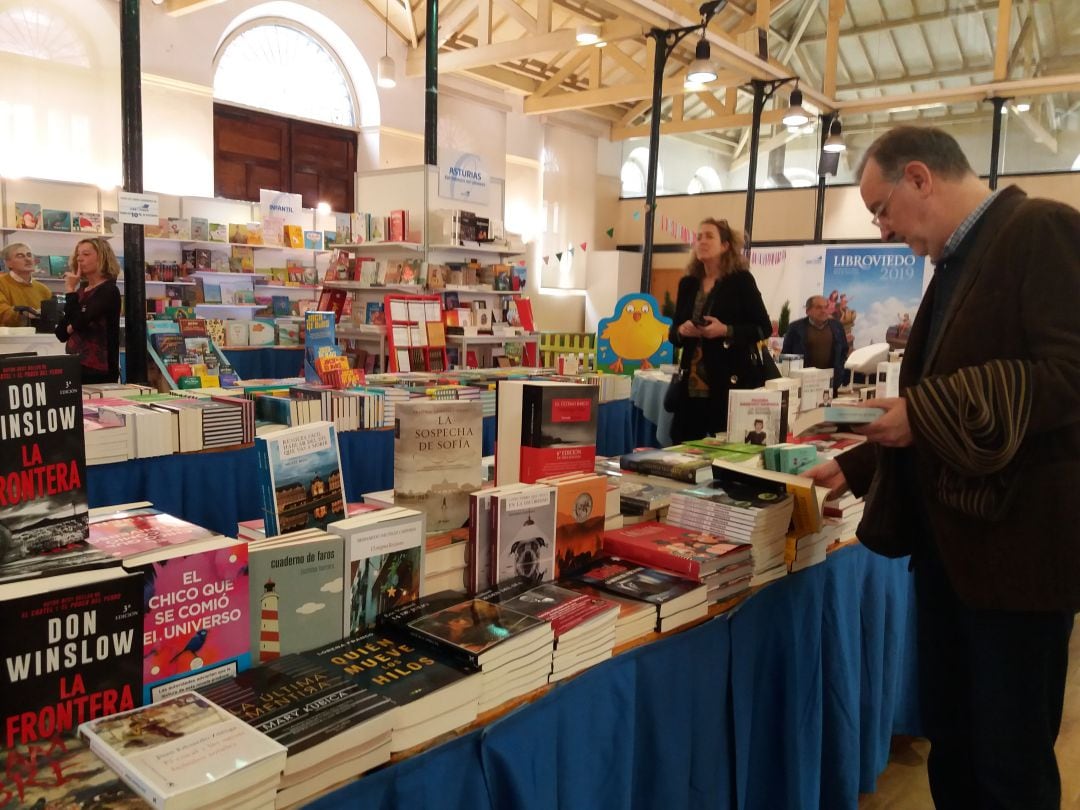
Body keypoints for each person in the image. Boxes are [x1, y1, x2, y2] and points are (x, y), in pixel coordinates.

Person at [804, 126, 1079, 810]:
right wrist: (862, 462)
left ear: (920, 178)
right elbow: (941, 395)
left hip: (1016, 564)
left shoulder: (1042, 229)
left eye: (882, 210)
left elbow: (1069, 374)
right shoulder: (960, 261)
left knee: (1008, 765)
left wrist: (923, 414)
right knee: (955, 748)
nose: (884, 229)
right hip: (953, 560)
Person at [668, 217, 771, 444]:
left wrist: (726, 330)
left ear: (726, 246)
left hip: (727, 385)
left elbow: (763, 328)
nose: (702, 241)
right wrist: (683, 331)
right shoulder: (688, 283)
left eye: (709, 236)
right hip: (690, 389)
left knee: (721, 456)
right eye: (699, 237)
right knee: (682, 451)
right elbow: (672, 334)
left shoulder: (741, 281)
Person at [56, 237, 122, 384]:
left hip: (99, 369)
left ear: (102, 258)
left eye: (86, 254)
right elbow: (60, 333)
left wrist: (69, 291)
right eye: (78, 254)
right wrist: (72, 326)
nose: (79, 259)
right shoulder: (80, 292)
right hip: (74, 364)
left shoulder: (108, 290)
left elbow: (79, 322)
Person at [780, 295, 848, 393]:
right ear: (808, 311)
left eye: (826, 307)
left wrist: (839, 371)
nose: (823, 310)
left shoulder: (837, 327)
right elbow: (786, 354)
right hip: (804, 382)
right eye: (819, 307)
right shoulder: (795, 328)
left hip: (830, 381)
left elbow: (844, 350)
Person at [0, 242, 53, 326]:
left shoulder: (44, 290)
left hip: (39, 338)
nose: (28, 259)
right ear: (8, 263)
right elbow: (2, 312)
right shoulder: (2, 283)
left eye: (29, 255)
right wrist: (23, 313)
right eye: (20, 256)